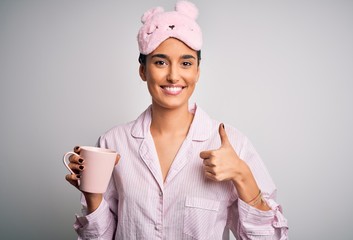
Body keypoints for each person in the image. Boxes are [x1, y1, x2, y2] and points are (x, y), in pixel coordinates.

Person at [65, 1, 288, 239]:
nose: (173, 76)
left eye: (186, 63)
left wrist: (243, 175)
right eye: (160, 62)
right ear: (143, 70)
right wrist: (92, 195)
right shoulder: (113, 143)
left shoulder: (233, 145)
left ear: (197, 71)